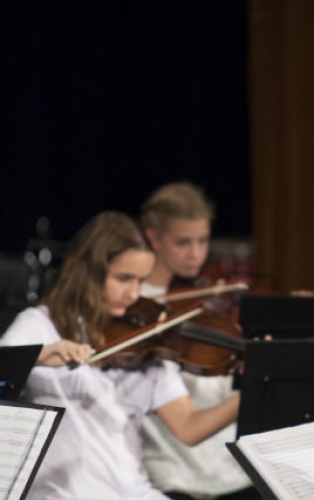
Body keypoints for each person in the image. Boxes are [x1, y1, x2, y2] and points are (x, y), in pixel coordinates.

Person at [0, 211, 240, 500]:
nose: (134, 293)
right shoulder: (39, 324)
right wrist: (40, 355)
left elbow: (188, 427)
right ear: (87, 271)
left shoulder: (147, 338)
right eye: (124, 278)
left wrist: (247, 392)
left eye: (141, 281)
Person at [138, 182, 254, 500]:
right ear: (153, 238)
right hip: (171, 468)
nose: (196, 254)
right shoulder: (133, 311)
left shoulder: (210, 301)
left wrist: (245, 366)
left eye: (202, 241)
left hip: (228, 463)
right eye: (183, 242)